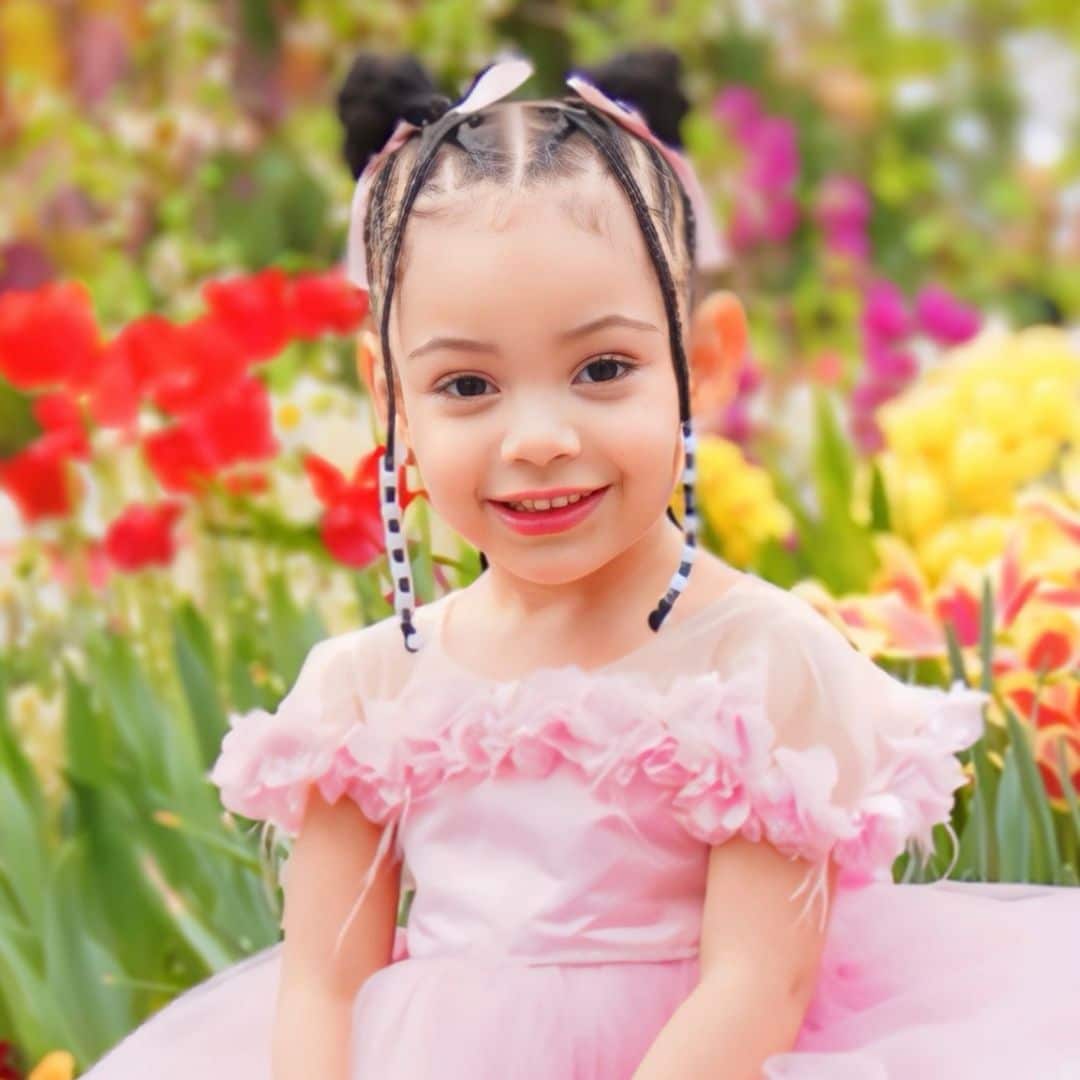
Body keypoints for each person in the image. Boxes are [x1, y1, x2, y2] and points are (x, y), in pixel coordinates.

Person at [83, 48, 1080, 1080]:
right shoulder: (369, 689)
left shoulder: (754, 661)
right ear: (390, 393)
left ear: (704, 360)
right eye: (467, 385)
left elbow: (756, 984)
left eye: (603, 369)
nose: (539, 437)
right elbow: (322, 983)